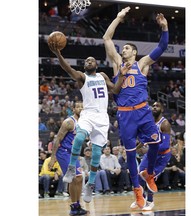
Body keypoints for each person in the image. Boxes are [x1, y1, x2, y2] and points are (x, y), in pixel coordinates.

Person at [103, 7, 169, 209]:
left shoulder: (142, 64)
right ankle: (137, 191)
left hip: (143, 112)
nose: (123, 50)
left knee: (156, 142)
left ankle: (149, 174)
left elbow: (162, 47)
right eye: (122, 49)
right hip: (125, 115)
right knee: (131, 155)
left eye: (127, 49)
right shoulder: (116, 64)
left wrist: (165, 28)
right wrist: (118, 18)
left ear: (134, 52)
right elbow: (106, 38)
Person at [48, 41, 129, 204]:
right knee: (79, 137)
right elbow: (68, 69)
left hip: (102, 118)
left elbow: (115, 90)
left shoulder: (103, 76)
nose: (89, 61)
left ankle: (91, 185)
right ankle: (71, 167)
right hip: (88, 114)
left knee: (97, 154)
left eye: (91, 60)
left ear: (97, 64)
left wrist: (121, 76)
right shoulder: (82, 77)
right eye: (86, 61)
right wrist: (58, 54)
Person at [48, 101, 87, 215]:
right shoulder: (69, 122)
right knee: (77, 177)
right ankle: (74, 206)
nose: (80, 109)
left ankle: (76, 205)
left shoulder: (85, 122)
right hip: (64, 152)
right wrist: (52, 157)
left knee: (79, 179)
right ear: (73, 109)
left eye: (82, 107)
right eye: (78, 107)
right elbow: (58, 139)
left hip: (73, 153)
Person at [130, 101, 172, 210]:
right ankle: (141, 198)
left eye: (157, 106)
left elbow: (165, 145)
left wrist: (150, 148)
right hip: (151, 153)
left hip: (162, 156)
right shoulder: (149, 122)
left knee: (150, 176)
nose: (154, 107)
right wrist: (135, 148)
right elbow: (145, 139)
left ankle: (150, 201)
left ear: (162, 109)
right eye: (153, 106)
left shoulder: (165, 124)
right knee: (140, 173)